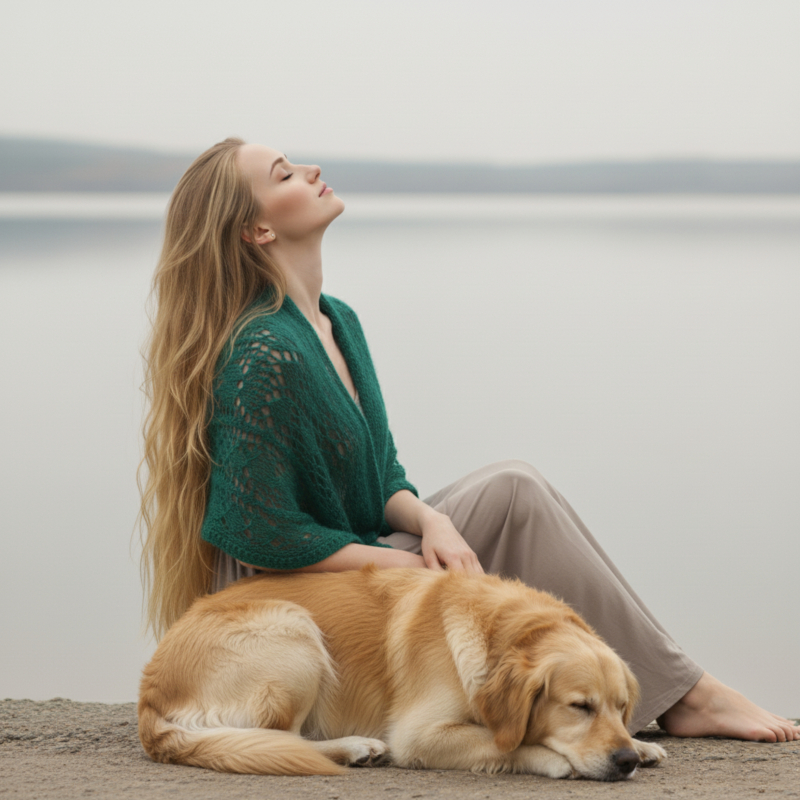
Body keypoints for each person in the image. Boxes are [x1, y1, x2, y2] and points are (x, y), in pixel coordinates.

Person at [139, 137, 799, 743]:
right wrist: (405, 566)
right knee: (515, 496)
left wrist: (434, 524)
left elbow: (386, 477)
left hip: (351, 561)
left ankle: (667, 689)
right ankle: (686, 696)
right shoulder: (263, 351)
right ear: (257, 229)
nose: (311, 169)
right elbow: (265, 544)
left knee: (513, 487)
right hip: (286, 600)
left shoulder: (337, 322)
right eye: (283, 173)